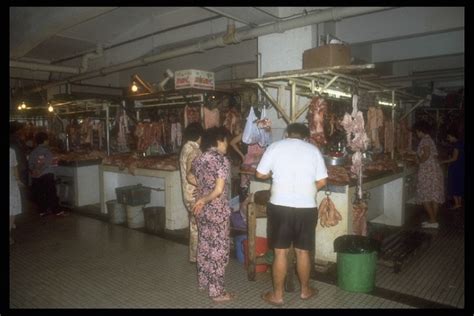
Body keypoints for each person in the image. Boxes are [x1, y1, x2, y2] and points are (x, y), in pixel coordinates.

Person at [255, 123, 327, 306]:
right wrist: (307, 189)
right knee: (303, 252)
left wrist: (274, 173)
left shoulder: (275, 147)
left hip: (280, 206)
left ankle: (277, 296)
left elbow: (260, 174)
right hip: (306, 207)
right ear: (306, 137)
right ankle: (305, 291)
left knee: (280, 253)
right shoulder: (313, 150)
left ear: (286, 134)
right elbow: (323, 181)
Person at [191, 126, 235, 303]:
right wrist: (205, 198)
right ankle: (216, 292)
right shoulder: (221, 160)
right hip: (216, 209)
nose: (227, 145)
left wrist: (200, 195)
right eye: (226, 141)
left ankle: (204, 282)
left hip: (202, 212)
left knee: (204, 246)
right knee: (218, 250)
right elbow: (218, 190)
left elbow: (191, 177)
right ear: (220, 140)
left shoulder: (199, 159)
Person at [178, 122, 204, 263]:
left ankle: (194, 256)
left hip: (187, 193)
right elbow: (191, 174)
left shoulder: (185, 148)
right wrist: (205, 186)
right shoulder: (195, 151)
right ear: (200, 136)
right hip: (195, 194)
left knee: (194, 225)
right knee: (198, 226)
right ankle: (197, 257)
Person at [413, 121, 445, 228]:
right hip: (434, 170)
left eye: (416, 132)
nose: (416, 134)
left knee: (425, 194)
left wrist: (419, 161)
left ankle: (433, 220)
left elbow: (426, 155)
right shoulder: (430, 139)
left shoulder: (425, 140)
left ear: (419, 131)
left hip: (427, 171)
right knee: (433, 195)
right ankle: (433, 220)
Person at [28, 132, 65, 217]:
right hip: (47, 175)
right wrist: (40, 170)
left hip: (36, 176)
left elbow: (30, 164)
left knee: (40, 194)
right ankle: (56, 210)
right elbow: (48, 162)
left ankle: (42, 211)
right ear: (45, 141)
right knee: (51, 193)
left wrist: (35, 171)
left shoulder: (33, 152)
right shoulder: (47, 151)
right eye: (47, 140)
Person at [440, 128, 464, 209]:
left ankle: (457, 204)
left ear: (453, 136)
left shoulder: (457, 145)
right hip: (461, 167)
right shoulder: (461, 143)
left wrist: (442, 161)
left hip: (456, 167)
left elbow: (454, 158)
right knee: (459, 185)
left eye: (449, 137)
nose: (448, 139)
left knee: (453, 185)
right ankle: (459, 203)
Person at [10, 147, 23, 245]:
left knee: (12, 209)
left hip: (11, 184)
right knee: (12, 209)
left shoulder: (11, 151)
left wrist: (18, 180)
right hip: (11, 184)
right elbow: (14, 167)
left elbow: (14, 167)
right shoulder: (11, 151)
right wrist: (17, 180)